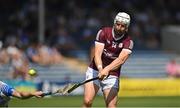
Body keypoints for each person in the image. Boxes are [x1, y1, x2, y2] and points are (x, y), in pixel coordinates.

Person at [83, 12, 134, 107]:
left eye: (122, 26)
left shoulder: (128, 42)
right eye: (118, 24)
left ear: (127, 27)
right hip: (95, 69)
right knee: (87, 101)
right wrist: (100, 68)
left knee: (111, 106)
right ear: (114, 23)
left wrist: (107, 70)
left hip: (112, 75)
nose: (119, 27)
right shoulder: (103, 32)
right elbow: (97, 54)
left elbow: (121, 60)